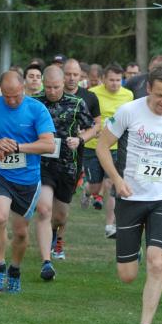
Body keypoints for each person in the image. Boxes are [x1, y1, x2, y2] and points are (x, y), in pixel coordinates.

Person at [95, 65, 162, 324]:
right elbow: (101, 147)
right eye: (160, 95)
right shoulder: (129, 112)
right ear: (149, 88)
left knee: (157, 262)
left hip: (161, 198)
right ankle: (132, 247)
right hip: (130, 198)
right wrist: (116, 179)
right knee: (127, 275)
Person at [0, 70, 56, 294]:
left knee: (21, 232)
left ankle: (15, 270)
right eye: (7, 96)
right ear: (1, 92)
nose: (12, 100)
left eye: (16, 95)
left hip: (28, 178)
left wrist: (17, 147)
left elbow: (48, 145)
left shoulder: (37, 109)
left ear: (23, 89)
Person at [32, 66, 95, 280]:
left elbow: (94, 127)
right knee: (43, 208)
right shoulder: (34, 102)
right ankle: (46, 262)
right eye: (48, 87)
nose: (51, 91)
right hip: (41, 164)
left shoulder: (76, 103)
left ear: (64, 83)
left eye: (56, 87)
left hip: (68, 166)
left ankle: (54, 236)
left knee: (60, 216)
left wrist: (80, 140)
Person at [57, 59, 102, 258]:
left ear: (81, 76)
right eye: (68, 74)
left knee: (63, 204)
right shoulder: (52, 93)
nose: (72, 78)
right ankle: (51, 238)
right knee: (47, 203)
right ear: (61, 74)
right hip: (48, 155)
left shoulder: (89, 98)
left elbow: (97, 126)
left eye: (76, 74)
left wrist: (81, 138)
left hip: (74, 157)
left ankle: (58, 240)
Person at [84, 64, 134, 238]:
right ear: (103, 79)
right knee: (95, 186)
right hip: (93, 146)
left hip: (116, 146)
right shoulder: (92, 94)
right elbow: (85, 117)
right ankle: (87, 191)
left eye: (118, 80)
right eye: (111, 80)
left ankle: (109, 226)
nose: (115, 83)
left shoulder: (128, 95)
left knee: (112, 183)